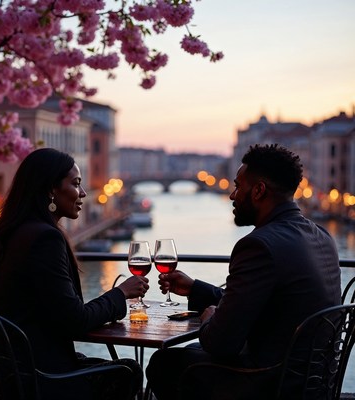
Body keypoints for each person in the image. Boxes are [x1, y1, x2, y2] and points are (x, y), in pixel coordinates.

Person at [146, 144, 341, 399]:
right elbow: (258, 304)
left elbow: (221, 344)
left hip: (269, 384)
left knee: (164, 363)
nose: (232, 195)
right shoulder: (321, 236)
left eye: (238, 186)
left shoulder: (259, 244)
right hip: (315, 382)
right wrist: (196, 289)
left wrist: (209, 318)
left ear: (259, 191)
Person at [0, 148, 149, 400]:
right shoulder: (45, 238)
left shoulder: (16, 231)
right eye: (76, 184)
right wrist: (121, 294)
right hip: (34, 379)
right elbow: (75, 321)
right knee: (127, 370)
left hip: (0, 369)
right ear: (50, 190)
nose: (83, 193)